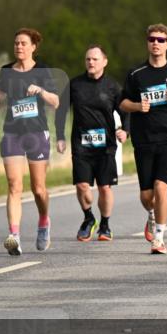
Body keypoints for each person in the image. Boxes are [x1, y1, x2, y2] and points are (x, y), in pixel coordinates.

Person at [119, 23, 167, 255]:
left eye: (161, 40)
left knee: (161, 187)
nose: (156, 43)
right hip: (143, 138)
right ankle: (152, 215)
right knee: (146, 195)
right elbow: (122, 103)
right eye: (152, 39)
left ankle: (159, 238)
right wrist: (136, 106)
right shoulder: (136, 74)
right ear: (147, 42)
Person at [0, 28, 59, 255]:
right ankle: (15, 236)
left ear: (33, 47)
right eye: (16, 43)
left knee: (38, 189)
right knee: (13, 185)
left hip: (37, 133)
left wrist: (40, 91)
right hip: (12, 132)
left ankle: (44, 220)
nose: (19, 46)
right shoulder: (6, 71)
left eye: (23, 43)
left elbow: (56, 102)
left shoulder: (42, 70)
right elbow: (0, 90)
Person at [55, 45, 129, 242]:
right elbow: (61, 110)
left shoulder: (113, 87)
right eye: (88, 59)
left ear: (104, 62)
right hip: (81, 144)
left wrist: (125, 130)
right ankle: (88, 218)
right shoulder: (75, 84)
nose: (91, 62)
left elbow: (125, 111)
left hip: (106, 146)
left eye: (95, 59)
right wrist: (60, 136)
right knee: (82, 186)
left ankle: (105, 225)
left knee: (105, 187)